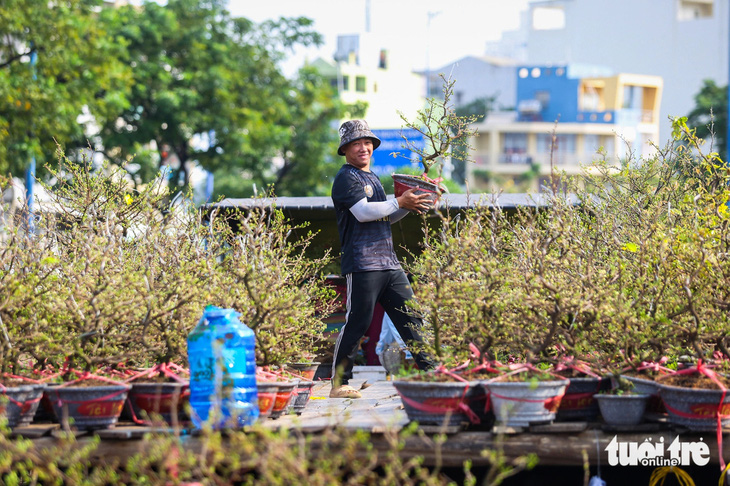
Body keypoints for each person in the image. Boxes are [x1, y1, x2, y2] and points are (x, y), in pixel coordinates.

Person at [329, 119, 434, 399]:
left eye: (367, 143)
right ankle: (339, 384)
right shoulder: (346, 178)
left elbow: (385, 214)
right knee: (358, 322)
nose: (363, 148)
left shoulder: (372, 177)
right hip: (363, 263)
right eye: (356, 143)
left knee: (412, 319)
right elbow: (363, 213)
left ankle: (434, 374)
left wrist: (411, 204)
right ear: (345, 149)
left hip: (389, 262)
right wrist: (399, 202)